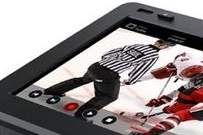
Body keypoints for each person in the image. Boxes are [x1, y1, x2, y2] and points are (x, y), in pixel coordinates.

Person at [44, 39, 174, 117]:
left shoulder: (137, 45)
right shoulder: (153, 55)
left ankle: (52, 91)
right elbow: (140, 70)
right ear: (165, 46)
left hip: (95, 66)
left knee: (81, 80)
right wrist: (131, 81)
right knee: (108, 96)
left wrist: (105, 62)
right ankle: (82, 113)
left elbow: (110, 52)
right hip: (108, 74)